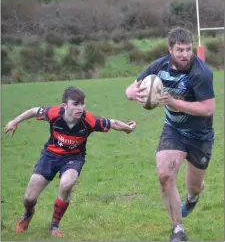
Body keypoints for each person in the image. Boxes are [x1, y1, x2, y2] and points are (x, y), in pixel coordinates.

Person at [5, 86, 136, 238]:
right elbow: (34, 110)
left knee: (67, 183)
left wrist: (128, 129)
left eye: (82, 103)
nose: (80, 107)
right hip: (50, 156)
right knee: (29, 198)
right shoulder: (54, 114)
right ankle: (28, 214)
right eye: (75, 104)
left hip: (73, 158)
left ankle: (54, 226)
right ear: (65, 106)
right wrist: (15, 121)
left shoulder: (89, 121)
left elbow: (112, 123)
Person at [125, 27, 215, 241]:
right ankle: (178, 230)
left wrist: (174, 103)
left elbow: (208, 108)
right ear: (170, 49)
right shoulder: (160, 66)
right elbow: (130, 89)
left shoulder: (200, 72)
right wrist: (133, 94)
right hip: (173, 129)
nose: (185, 54)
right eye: (180, 50)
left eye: (188, 49)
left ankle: (192, 199)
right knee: (165, 175)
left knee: (194, 186)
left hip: (199, 134)